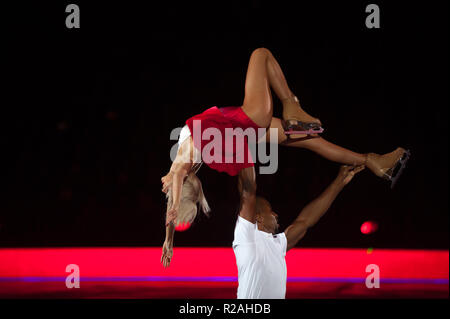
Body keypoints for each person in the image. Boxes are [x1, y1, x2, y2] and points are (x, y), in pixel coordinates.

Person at [160, 48, 409, 267]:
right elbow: (180, 174)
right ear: (185, 184)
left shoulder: (185, 163)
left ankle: (372, 162)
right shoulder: (184, 162)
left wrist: (169, 238)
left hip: (247, 130)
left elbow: (177, 181)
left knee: (313, 141)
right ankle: (291, 104)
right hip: (250, 119)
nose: (167, 187)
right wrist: (170, 221)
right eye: (172, 190)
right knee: (261, 54)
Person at [232, 164, 365, 299]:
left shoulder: (277, 245)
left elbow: (305, 221)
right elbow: (248, 191)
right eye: (270, 211)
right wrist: (242, 153)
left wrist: (339, 181)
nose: (276, 214)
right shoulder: (246, 237)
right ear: (258, 218)